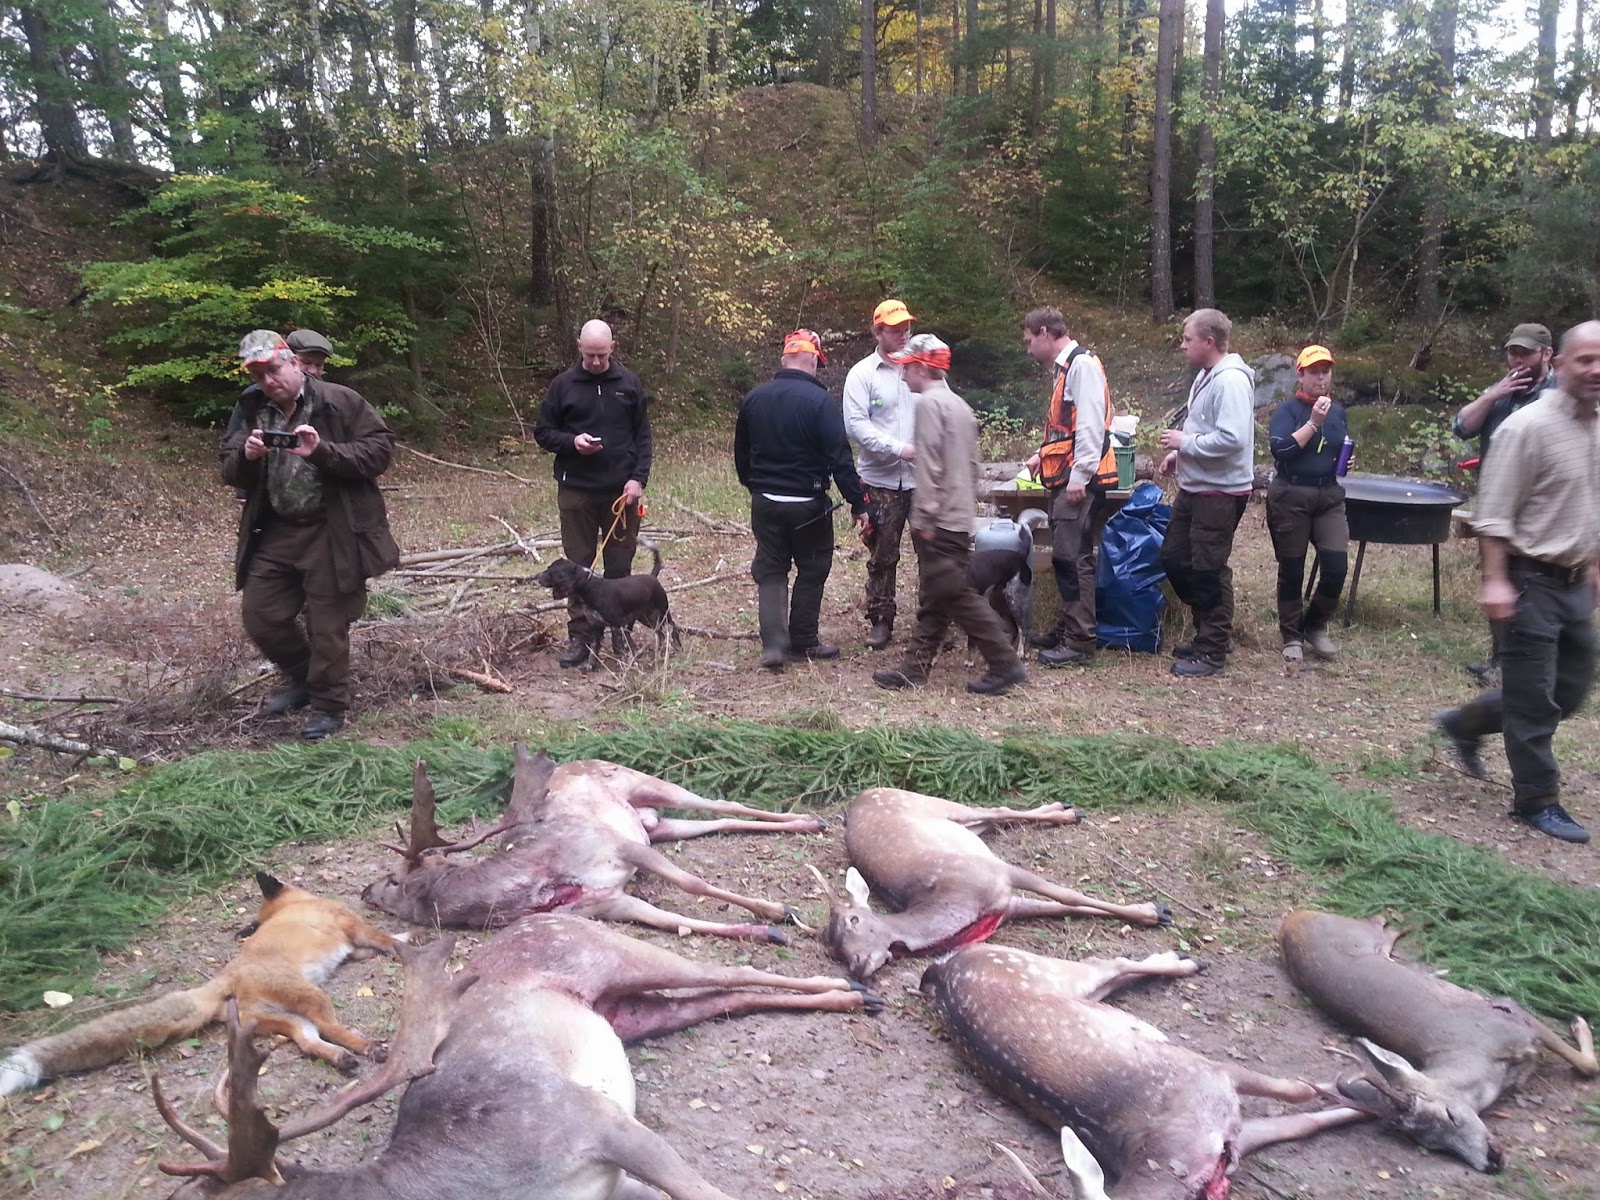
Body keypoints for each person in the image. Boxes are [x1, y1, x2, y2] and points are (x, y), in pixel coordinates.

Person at [1434, 321, 1600, 845]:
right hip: (1529, 580)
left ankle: (1464, 722)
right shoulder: (1525, 428)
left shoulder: (1596, 427)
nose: (1595, 370)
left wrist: (1594, 564)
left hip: (1575, 580)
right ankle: (1537, 799)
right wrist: (1495, 580)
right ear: (1560, 363)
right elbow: (1494, 513)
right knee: (1533, 703)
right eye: (1585, 360)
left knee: (1568, 690)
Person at [220, 330, 399, 740]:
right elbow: (228, 466)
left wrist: (321, 451)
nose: (268, 380)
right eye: (258, 374)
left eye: (274, 369)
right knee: (261, 616)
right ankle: (304, 680)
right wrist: (247, 457)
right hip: (276, 528)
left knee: (326, 623)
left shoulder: (339, 401)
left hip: (332, 529)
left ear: (294, 362)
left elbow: (380, 452)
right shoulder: (250, 406)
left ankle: (329, 707)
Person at [872, 336, 1028, 696]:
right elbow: (973, 468)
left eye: (906, 367)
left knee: (956, 594)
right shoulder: (960, 406)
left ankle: (1004, 662)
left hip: (938, 520)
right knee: (935, 596)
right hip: (958, 517)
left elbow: (929, 465)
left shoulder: (929, 405)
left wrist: (924, 516)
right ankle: (914, 669)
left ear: (922, 367)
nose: (902, 375)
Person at [734, 329, 868, 670]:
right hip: (808, 503)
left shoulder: (754, 398)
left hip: (765, 500)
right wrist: (858, 502)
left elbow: (741, 454)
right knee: (812, 568)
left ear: (784, 360)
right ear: (811, 361)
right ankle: (804, 640)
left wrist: (755, 486)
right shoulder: (821, 402)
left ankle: (774, 646)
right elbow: (840, 457)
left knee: (771, 568)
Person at [534, 319, 653, 667]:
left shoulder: (629, 383)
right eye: (590, 355)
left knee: (619, 565)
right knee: (577, 567)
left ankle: (621, 633)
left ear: (612, 348)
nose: (597, 361)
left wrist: (638, 479)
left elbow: (643, 436)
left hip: (621, 492)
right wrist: (572, 442)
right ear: (579, 348)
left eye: (602, 354)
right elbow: (543, 432)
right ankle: (581, 638)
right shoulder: (563, 386)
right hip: (576, 491)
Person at [1454, 323, 1558, 686]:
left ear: (1546, 354)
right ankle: (1500, 660)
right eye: (1512, 352)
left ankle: (1535, 668)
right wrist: (1492, 395)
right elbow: (1461, 427)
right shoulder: (1500, 393)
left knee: (1534, 585)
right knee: (1496, 581)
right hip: (1498, 507)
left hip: (1541, 510)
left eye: (1525, 353)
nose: (1516, 360)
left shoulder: (1561, 397)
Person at [1157, 309, 1256, 678]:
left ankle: (1213, 648)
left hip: (1220, 492)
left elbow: (1233, 438)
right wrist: (1181, 454)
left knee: (1208, 569)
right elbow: (1206, 428)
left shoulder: (1230, 381)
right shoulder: (1205, 375)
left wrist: (1186, 442)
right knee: (1175, 557)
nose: (1183, 345)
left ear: (1209, 342)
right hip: (1196, 486)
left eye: (1188, 339)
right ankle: (1210, 633)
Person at [1019, 307, 1119, 666]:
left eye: (1029, 341)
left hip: (1079, 482)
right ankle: (1070, 629)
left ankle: (1079, 641)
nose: (1028, 349)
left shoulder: (1081, 366)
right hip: (1067, 476)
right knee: (1066, 557)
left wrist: (1080, 477)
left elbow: (1091, 425)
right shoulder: (1067, 369)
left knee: (1073, 559)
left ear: (1045, 333)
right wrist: (1041, 455)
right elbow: (1067, 429)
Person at [842, 299, 919, 650]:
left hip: (922, 479)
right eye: (895, 329)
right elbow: (856, 426)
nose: (903, 335)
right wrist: (899, 448)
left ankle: (933, 619)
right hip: (880, 480)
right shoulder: (863, 375)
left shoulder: (921, 368)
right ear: (878, 332)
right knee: (883, 555)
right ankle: (881, 618)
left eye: (906, 328)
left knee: (933, 552)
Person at [1265, 345, 1349, 663]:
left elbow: (1336, 447)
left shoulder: (1337, 412)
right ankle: (1291, 635)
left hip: (1329, 495)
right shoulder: (1288, 411)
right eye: (1313, 372)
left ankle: (1315, 625)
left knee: (1336, 567)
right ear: (1300, 375)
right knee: (1292, 568)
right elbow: (1282, 450)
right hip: (1291, 494)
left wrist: (1345, 460)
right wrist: (1313, 422)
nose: (1320, 378)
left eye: (1325, 372)